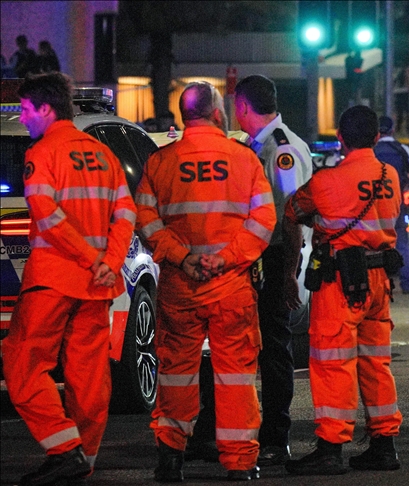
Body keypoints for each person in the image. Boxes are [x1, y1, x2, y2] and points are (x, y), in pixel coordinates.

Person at [135, 81, 276, 482]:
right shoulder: (244, 160)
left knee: (176, 372)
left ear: (183, 116)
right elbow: (263, 221)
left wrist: (184, 257)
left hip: (181, 285)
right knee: (235, 376)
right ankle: (240, 463)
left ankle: (171, 458)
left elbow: (146, 220)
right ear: (218, 113)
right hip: (230, 284)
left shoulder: (161, 162)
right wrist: (224, 258)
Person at [3, 72, 137, 486]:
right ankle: (83, 459)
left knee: (22, 362)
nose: (23, 118)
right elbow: (126, 212)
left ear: (46, 108)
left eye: (26, 109)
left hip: (54, 278)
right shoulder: (102, 154)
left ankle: (64, 449)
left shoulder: (42, 153)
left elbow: (48, 215)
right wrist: (109, 261)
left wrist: (90, 257)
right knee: (89, 377)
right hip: (97, 284)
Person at [284, 105, 403, 476]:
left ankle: (331, 448)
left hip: (339, 283)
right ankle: (384, 445)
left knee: (333, 364)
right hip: (380, 282)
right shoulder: (391, 175)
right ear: (377, 137)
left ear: (340, 138)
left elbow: (293, 209)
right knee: (376, 363)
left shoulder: (325, 181)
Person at [234, 74, 314, 467]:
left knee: (275, 349)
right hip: (258, 257)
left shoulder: (281, 149)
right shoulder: (260, 145)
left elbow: (293, 215)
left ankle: (276, 436)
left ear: (243, 106)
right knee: (253, 346)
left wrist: (288, 275)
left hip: (277, 256)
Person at [374, 115, 409, 294]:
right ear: (393, 130)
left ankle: (380, 287)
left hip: (373, 204)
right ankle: (407, 285)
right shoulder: (401, 149)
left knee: (375, 245)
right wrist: (401, 177)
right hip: (396, 202)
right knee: (401, 243)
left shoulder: (371, 150)